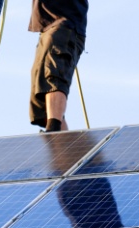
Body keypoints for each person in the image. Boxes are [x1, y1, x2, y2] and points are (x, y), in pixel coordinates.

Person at [29, 0, 88, 132]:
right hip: (47, 28)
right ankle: (62, 145)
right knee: (41, 92)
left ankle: (53, 129)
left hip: (64, 25)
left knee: (53, 76)